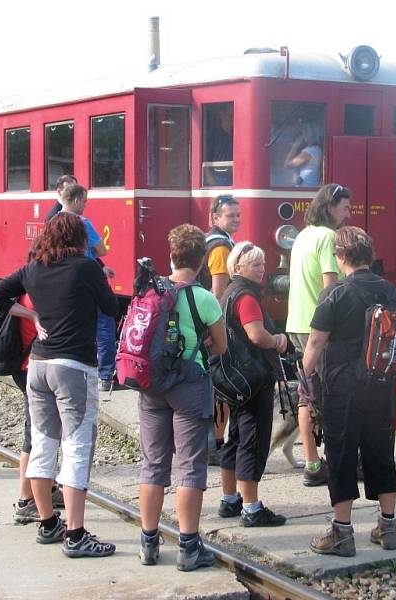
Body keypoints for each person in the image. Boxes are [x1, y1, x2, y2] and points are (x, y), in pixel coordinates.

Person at [0, 212, 119, 558]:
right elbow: (109, 307)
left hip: (38, 366)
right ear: (79, 240)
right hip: (73, 367)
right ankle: (75, 534)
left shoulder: (32, 269)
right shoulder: (86, 268)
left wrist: (32, 316)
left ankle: (48, 522)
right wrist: (99, 280)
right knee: (76, 448)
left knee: (43, 444)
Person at [300, 227, 396, 556]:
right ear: (369, 255)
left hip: (343, 387)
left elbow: (315, 343)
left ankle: (342, 532)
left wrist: (305, 385)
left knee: (342, 455)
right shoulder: (393, 292)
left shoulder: (335, 294)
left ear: (340, 256)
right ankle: (388, 526)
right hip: (383, 383)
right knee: (381, 452)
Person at [137, 224, 227, 571]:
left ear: (171, 256)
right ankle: (189, 547)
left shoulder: (153, 289)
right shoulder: (203, 297)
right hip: (189, 385)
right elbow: (221, 345)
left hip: (152, 385)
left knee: (153, 462)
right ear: (202, 259)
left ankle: (149, 543)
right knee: (190, 464)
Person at [217, 241, 288, 528]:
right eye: (255, 264)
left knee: (235, 437)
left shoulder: (228, 294)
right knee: (253, 439)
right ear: (238, 267)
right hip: (253, 378)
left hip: (234, 378)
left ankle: (230, 499)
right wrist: (279, 341)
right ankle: (251, 507)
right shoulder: (246, 297)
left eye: (262, 263)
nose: (262, 269)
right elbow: (257, 335)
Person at [285, 183, 351, 486]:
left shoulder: (303, 235)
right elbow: (329, 287)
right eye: (345, 207)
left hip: (296, 321)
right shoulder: (328, 237)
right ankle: (332, 460)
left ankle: (312, 461)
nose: (348, 213)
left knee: (307, 392)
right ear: (329, 207)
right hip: (318, 326)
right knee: (329, 396)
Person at [8, 293, 67, 524]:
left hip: (31, 368)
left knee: (42, 432)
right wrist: (32, 315)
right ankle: (25, 501)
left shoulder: (30, 287)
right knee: (35, 436)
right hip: (33, 368)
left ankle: (47, 488)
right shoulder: (40, 294)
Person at [59, 184, 118, 392]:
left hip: (63, 281)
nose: (85, 205)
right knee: (105, 323)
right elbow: (100, 249)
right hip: (87, 279)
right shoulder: (82, 222)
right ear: (75, 200)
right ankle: (105, 375)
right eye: (84, 201)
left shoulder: (52, 222)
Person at [202, 194, 241, 465]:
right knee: (221, 386)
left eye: (238, 215)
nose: (236, 219)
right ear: (216, 218)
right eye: (231, 215)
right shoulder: (220, 248)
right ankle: (215, 444)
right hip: (214, 325)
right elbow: (218, 293)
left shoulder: (212, 240)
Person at [203, 104, 233, 186]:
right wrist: (216, 188)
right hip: (218, 181)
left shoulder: (237, 136)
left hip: (235, 181)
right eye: (231, 115)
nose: (232, 119)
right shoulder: (212, 137)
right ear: (222, 114)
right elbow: (205, 166)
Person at [284, 122, 321, 187]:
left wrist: (295, 146)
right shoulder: (318, 149)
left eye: (305, 132)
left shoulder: (310, 151)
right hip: (310, 186)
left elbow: (287, 165)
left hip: (306, 187)